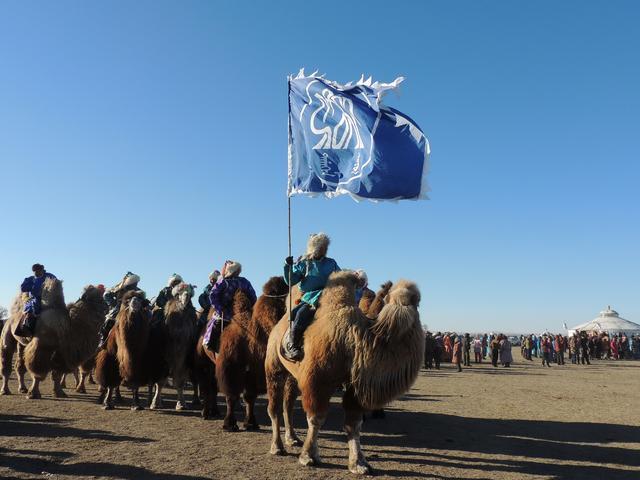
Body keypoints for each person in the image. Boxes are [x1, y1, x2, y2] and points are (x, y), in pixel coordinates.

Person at [282, 233, 340, 361]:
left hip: (329, 296)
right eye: (322, 246)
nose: (325, 249)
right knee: (301, 314)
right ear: (315, 247)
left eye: (326, 246)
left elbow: (340, 276)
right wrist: (288, 267)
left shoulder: (331, 263)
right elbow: (291, 281)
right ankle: (293, 344)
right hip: (310, 298)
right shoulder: (305, 263)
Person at [203, 260, 256, 351]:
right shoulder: (223, 282)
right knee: (216, 324)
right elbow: (213, 295)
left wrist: (252, 307)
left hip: (242, 312)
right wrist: (220, 309)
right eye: (236, 270)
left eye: (238, 270)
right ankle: (210, 344)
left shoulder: (244, 281)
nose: (237, 272)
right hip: (225, 312)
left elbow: (252, 295)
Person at [97, 272, 144, 349]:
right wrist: (114, 303)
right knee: (108, 320)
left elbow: (143, 297)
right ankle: (103, 338)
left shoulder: (138, 291)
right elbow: (106, 295)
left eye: (136, 282)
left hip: (134, 309)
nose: (136, 284)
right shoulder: (119, 288)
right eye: (134, 282)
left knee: (147, 318)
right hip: (119, 308)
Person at [14, 264, 57, 336]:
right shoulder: (30, 279)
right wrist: (32, 286)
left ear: (42, 270)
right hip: (35, 299)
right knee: (33, 308)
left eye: (38, 271)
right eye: (35, 272)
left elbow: (56, 283)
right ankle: (27, 328)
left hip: (49, 298)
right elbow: (23, 288)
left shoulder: (49, 276)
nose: (36, 273)